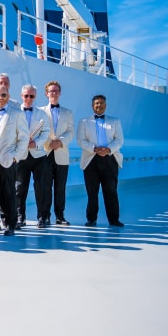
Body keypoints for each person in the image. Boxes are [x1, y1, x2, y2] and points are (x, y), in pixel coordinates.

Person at [0, 85, 29, 235]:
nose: (0, 98)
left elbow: (24, 138)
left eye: (3, 95)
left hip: (7, 158)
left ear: (8, 96)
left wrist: (16, 156)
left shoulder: (16, 114)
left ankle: (10, 224)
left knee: (8, 192)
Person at [77, 94, 124, 228]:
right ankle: (91, 219)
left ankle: (114, 220)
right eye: (96, 103)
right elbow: (81, 140)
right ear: (92, 106)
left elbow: (119, 140)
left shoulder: (115, 121)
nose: (99, 106)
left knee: (111, 191)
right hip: (91, 159)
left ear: (106, 105)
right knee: (92, 192)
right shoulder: (84, 121)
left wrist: (108, 150)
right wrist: (94, 149)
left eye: (101, 103)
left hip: (109, 158)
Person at [15, 84, 51, 228]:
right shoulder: (16, 112)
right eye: (26, 96)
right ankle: (19, 218)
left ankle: (42, 217)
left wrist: (35, 143)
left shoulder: (41, 114)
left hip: (38, 156)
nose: (28, 99)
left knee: (41, 188)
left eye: (31, 96)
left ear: (35, 97)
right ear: (21, 96)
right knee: (19, 188)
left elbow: (46, 132)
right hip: (22, 155)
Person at [40, 80, 75, 225]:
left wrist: (59, 142)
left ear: (59, 93)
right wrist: (49, 143)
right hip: (45, 153)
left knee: (60, 187)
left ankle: (60, 216)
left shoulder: (68, 113)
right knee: (45, 187)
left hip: (61, 153)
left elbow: (70, 131)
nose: (53, 93)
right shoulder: (40, 111)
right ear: (46, 94)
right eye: (51, 91)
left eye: (56, 91)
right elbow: (38, 130)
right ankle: (45, 216)